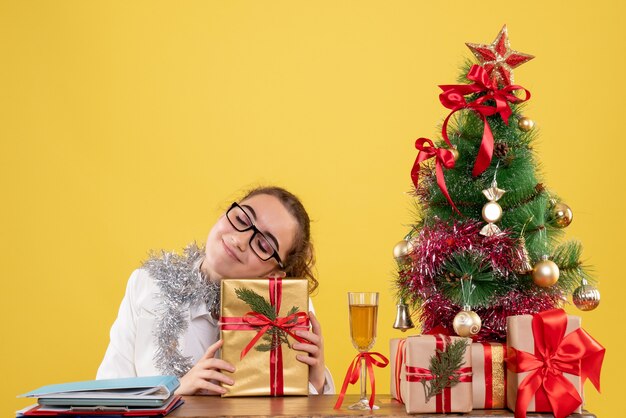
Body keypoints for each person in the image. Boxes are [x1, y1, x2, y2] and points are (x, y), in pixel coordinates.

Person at [96, 186, 334, 395]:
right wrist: (174, 390)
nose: (240, 240)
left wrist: (316, 383)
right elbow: (109, 394)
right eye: (241, 219)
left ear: (273, 275)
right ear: (225, 214)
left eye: (263, 244)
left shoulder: (287, 312)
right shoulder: (147, 284)